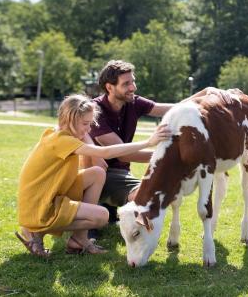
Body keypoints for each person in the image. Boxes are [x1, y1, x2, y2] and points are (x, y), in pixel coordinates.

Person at [15, 94, 171, 257]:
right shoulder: (63, 141)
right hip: (41, 204)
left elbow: (97, 157)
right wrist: (148, 142)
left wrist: (83, 131)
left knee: (97, 173)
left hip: (50, 194)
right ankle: (35, 231)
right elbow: (105, 152)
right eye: (85, 124)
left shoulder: (59, 133)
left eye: (90, 123)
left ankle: (79, 239)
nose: (89, 129)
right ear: (69, 120)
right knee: (102, 216)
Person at [88, 60, 221, 233]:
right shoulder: (95, 111)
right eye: (126, 84)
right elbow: (123, 154)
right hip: (99, 173)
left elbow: (172, 109)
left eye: (133, 81)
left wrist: (204, 94)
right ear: (109, 87)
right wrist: (166, 157)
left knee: (150, 193)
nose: (133, 87)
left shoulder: (133, 103)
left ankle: (110, 208)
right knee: (144, 195)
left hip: (121, 174)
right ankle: (97, 210)